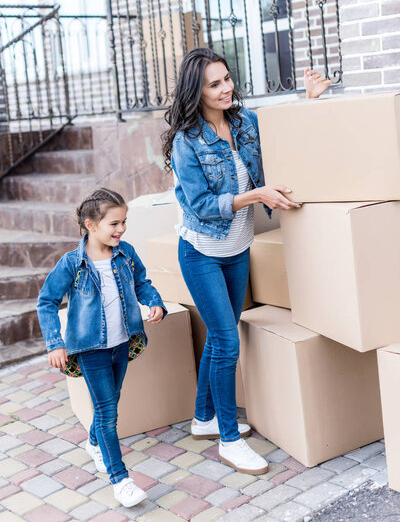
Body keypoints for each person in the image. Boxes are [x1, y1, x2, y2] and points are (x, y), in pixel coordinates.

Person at [162, 48, 330, 475]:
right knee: (227, 339)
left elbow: (280, 132)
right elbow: (200, 204)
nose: (226, 89)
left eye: (227, 79)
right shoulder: (187, 141)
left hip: (236, 250)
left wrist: (307, 100)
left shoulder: (243, 121)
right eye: (214, 84)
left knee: (221, 338)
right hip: (201, 251)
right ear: (196, 92)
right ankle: (228, 440)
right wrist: (257, 196)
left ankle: (204, 419)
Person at [36, 188, 166, 507]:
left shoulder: (126, 253)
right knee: (107, 412)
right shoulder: (72, 263)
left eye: (124, 222)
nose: (121, 229)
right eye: (113, 224)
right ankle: (120, 480)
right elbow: (46, 301)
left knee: (110, 403)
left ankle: (94, 443)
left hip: (122, 343)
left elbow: (141, 283)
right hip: (91, 349)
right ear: (91, 225)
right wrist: (55, 343)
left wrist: (155, 302)